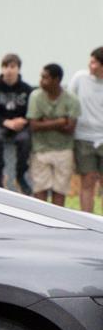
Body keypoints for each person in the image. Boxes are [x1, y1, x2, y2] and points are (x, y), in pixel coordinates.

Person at [27, 63, 80, 207]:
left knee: (59, 190)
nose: (41, 81)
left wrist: (46, 121)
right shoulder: (36, 96)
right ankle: (40, 222)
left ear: (56, 80)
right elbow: (34, 125)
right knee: (40, 188)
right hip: (41, 149)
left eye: (45, 78)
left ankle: (57, 223)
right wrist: (60, 121)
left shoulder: (71, 99)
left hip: (64, 149)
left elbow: (70, 128)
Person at [0, 53, 34, 194]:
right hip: (0, 123)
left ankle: (20, 175)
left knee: (25, 140)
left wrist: (23, 120)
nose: (9, 70)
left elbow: (32, 110)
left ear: (18, 69)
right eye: (5, 66)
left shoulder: (27, 89)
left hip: (20, 125)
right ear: (1, 69)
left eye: (12, 67)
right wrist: (5, 122)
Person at [69, 46, 103, 214]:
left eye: (95, 62)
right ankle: (88, 222)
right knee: (87, 180)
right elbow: (69, 102)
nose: (91, 65)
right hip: (83, 138)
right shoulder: (79, 78)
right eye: (91, 61)